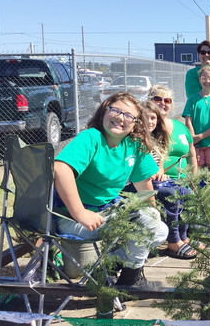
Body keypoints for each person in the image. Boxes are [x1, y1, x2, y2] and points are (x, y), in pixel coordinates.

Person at [53, 92, 168, 287]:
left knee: (160, 231)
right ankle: (131, 280)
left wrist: (152, 215)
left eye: (129, 115)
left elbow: (144, 188)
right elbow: (60, 169)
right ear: (104, 112)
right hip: (73, 220)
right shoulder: (91, 137)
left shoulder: (134, 145)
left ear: (136, 124)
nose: (121, 118)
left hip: (107, 214)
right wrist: (81, 212)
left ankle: (109, 266)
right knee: (148, 221)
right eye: (116, 110)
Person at [147, 85, 199, 259]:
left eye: (167, 100)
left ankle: (183, 237)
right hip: (144, 180)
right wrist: (156, 172)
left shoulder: (166, 128)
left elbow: (161, 156)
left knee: (186, 192)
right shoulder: (144, 128)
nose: (162, 103)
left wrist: (160, 170)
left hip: (169, 177)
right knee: (173, 193)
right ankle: (173, 241)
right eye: (158, 99)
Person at [183, 65, 210, 173]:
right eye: (204, 78)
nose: (207, 81)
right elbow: (188, 121)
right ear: (199, 80)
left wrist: (200, 136)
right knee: (198, 172)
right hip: (197, 145)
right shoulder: (193, 99)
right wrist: (194, 139)